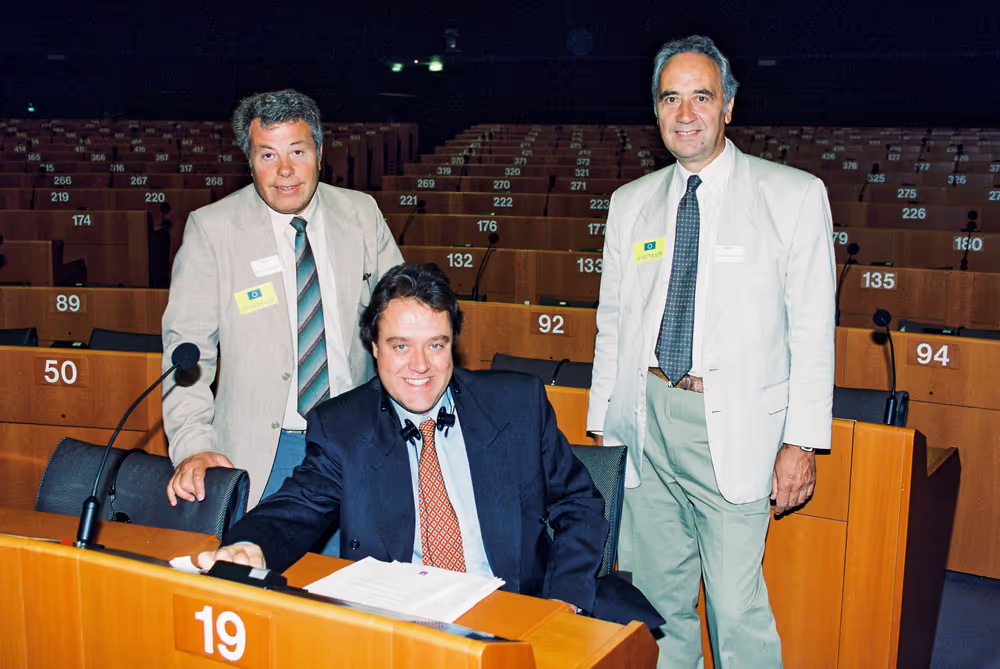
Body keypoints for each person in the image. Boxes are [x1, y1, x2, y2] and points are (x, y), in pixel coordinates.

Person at [197, 264, 661, 627]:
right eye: (400, 346)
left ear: (453, 343)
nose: (419, 366)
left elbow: (579, 504)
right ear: (374, 347)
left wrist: (563, 602)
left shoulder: (517, 405)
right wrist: (252, 545)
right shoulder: (344, 427)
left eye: (436, 345)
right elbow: (296, 508)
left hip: (514, 613)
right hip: (404, 625)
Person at [587, 35, 835, 667]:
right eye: (671, 98)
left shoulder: (794, 196)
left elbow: (812, 329)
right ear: (656, 111)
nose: (686, 112)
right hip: (645, 419)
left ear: (729, 105)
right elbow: (612, 321)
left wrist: (801, 441)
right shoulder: (630, 204)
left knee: (735, 608)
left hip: (733, 425)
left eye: (702, 96)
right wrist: (603, 421)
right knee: (657, 603)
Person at [161, 89, 403, 519]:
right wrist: (194, 446)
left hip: (360, 439)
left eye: (297, 151)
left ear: (320, 152)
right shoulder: (211, 230)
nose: (285, 171)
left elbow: (402, 320)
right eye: (267, 155)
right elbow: (187, 353)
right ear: (249, 160)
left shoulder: (362, 213)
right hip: (264, 454)